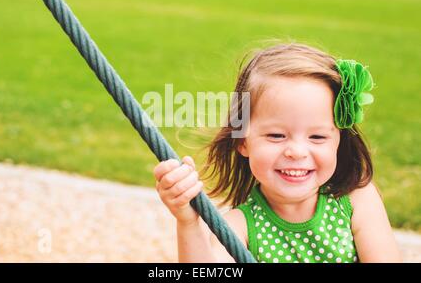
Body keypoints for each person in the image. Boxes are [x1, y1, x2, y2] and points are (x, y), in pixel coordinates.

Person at [153, 43, 402, 263]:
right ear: (242, 141)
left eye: (317, 137)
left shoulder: (356, 200)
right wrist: (188, 224)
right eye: (276, 136)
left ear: (338, 141)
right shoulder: (240, 226)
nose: (296, 151)